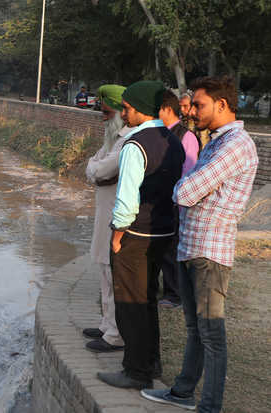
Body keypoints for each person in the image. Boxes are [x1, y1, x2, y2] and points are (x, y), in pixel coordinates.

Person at [141, 76, 258, 412]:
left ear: (222, 105)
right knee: (195, 329)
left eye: (199, 104)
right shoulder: (217, 141)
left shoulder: (236, 144)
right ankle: (182, 392)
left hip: (210, 252)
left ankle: (210, 406)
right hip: (193, 247)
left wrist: (186, 188)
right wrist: (189, 187)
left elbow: (184, 192)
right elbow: (190, 189)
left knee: (211, 336)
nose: (192, 111)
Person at [96, 80, 185, 390]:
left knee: (130, 303)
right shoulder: (172, 140)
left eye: (128, 108)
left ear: (142, 110)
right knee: (148, 299)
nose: (124, 112)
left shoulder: (136, 144)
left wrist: (118, 235)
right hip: (163, 231)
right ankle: (152, 360)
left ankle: (136, 370)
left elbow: (126, 198)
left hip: (135, 233)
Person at [83, 85, 132, 353]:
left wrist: (95, 171)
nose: (101, 117)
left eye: (105, 112)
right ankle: (105, 324)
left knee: (112, 273)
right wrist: (95, 171)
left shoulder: (126, 141)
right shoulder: (112, 139)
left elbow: (101, 169)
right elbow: (92, 167)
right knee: (103, 270)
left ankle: (115, 333)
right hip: (104, 212)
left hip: (116, 214)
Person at [157, 90, 201, 308]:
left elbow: (189, 173)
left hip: (175, 203)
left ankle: (174, 294)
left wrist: (176, 199)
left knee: (171, 248)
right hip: (160, 200)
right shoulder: (160, 133)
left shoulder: (186, 137)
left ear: (166, 109)